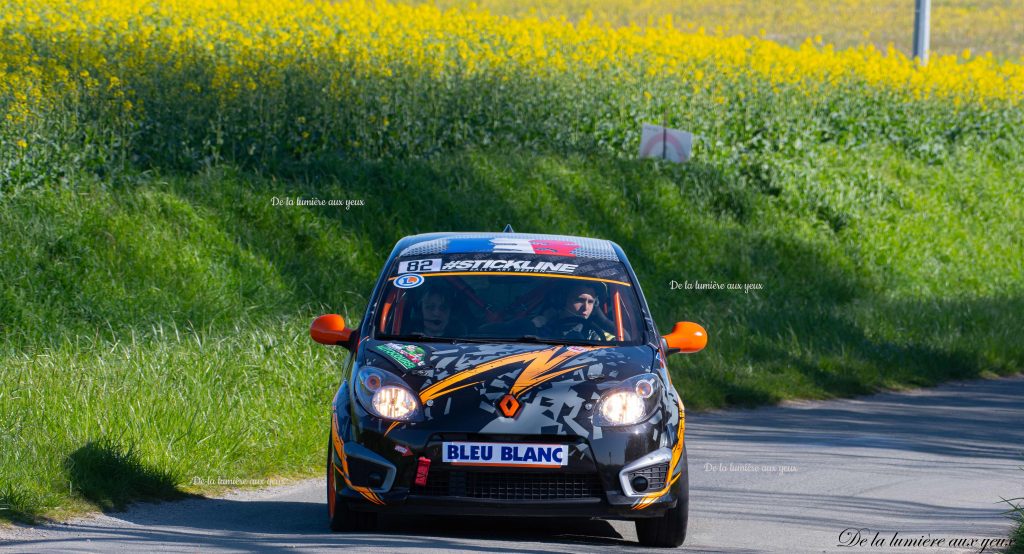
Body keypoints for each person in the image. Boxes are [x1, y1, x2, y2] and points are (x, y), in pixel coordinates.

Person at [534, 283, 615, 341]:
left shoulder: (597, 335)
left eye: (590, 302)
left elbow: (623, 345)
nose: (586, 307)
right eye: (579, 300)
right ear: (561, 300)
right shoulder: (539, 326)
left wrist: (603, 320)